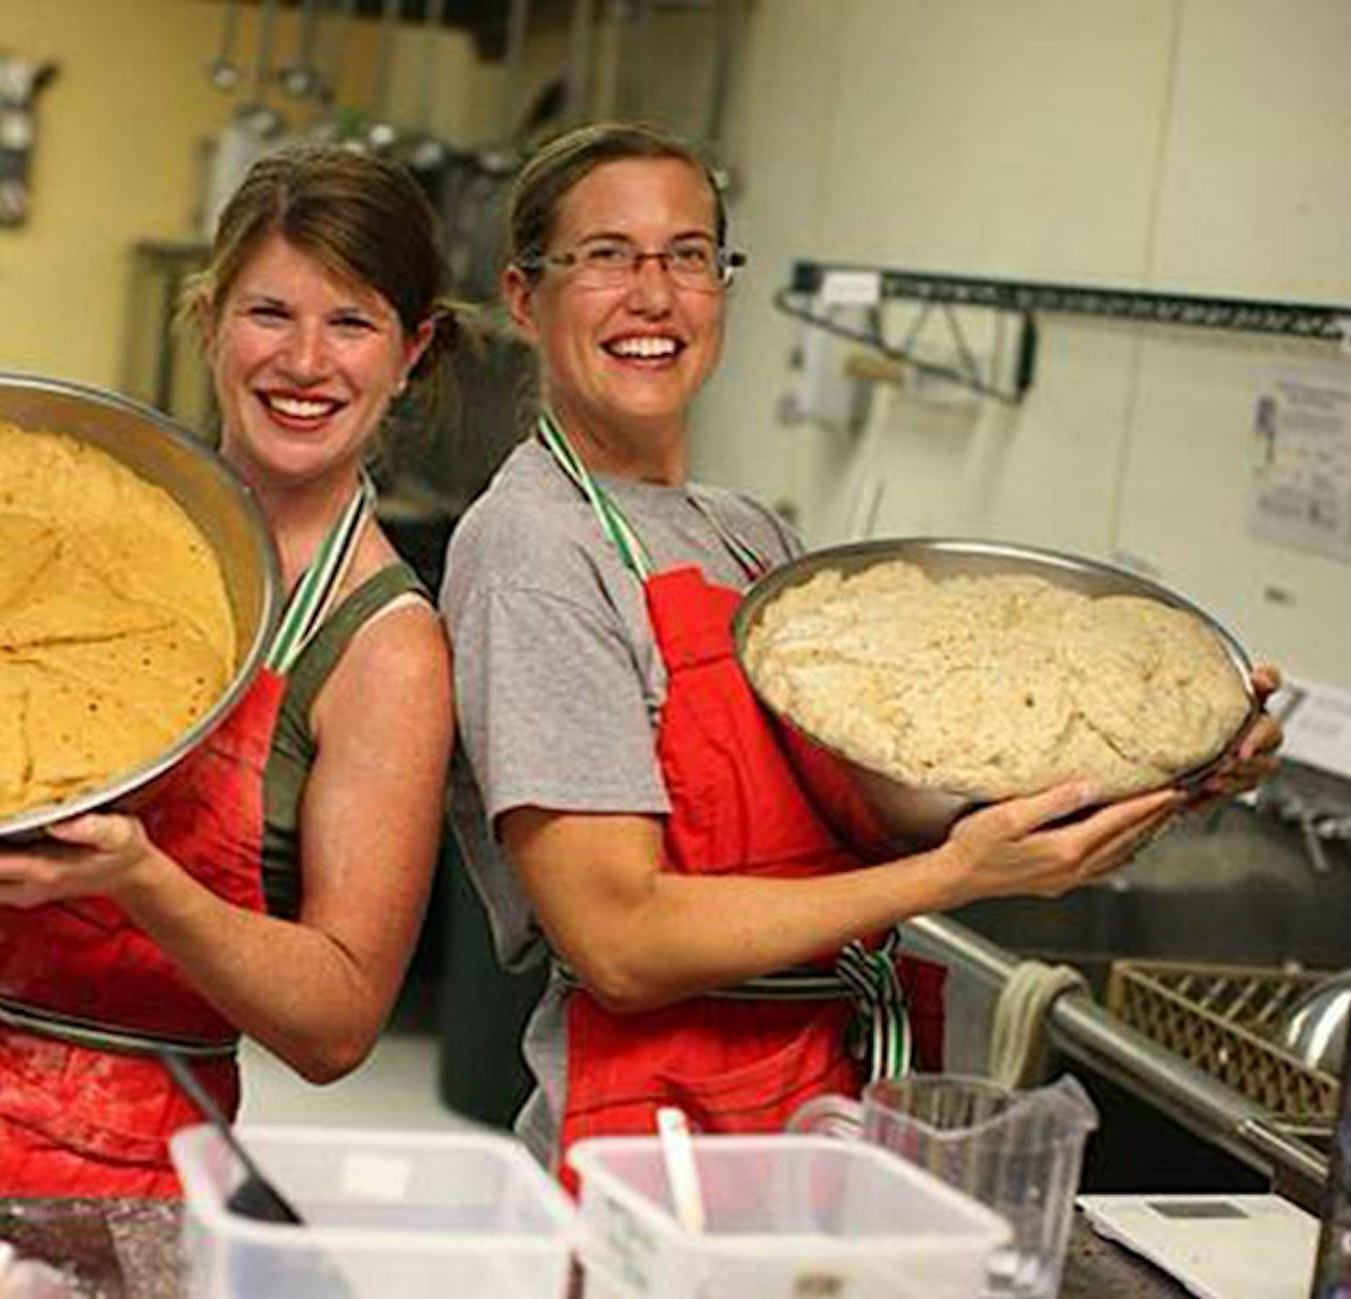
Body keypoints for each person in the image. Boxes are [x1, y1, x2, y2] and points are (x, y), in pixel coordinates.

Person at [441, 121, 1281, 1174]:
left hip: (825, 1105)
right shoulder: (534, 546)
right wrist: (952, 879)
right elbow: (619, 940)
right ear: (525, 298)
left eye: (689, 255)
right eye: (606, 256)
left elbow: (879, 819)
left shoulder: (752, 540)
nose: (654, 295)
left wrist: (1180, 770)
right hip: (661, 1142)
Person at [0, 146, 455, 1198]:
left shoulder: (383, 647)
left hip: (107, 1148)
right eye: (271, 313)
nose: (306, 361)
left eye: (352, 323)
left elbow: (338, 1022)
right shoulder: (80, 520)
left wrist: (136, 879)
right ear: (210, 319)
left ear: (411, 352)